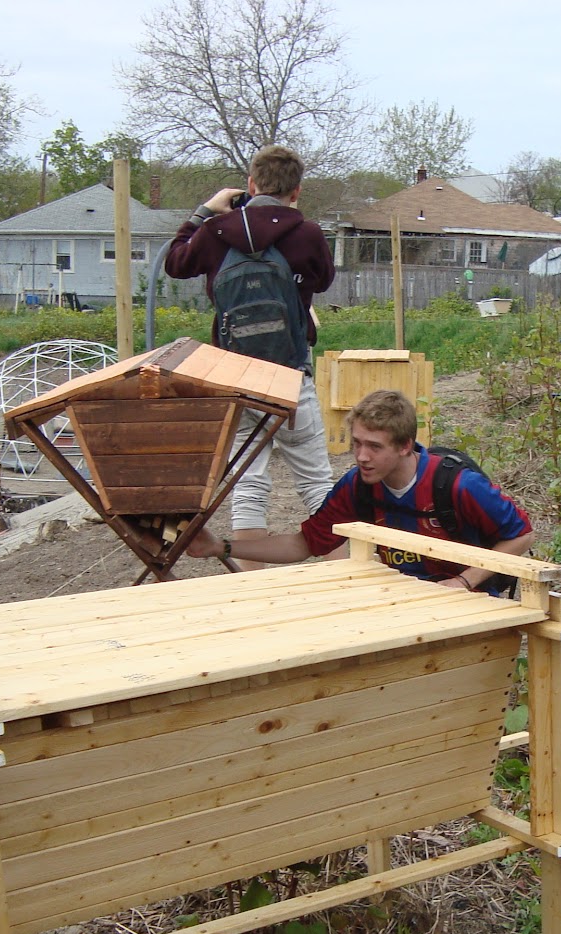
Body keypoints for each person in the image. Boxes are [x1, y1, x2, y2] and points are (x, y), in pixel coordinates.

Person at [187, 389, 533, 595]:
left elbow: (522, 535)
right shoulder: (358, 486)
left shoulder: (458, 485)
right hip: (406, 598)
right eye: (356, 443)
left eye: (374, 446)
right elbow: (304, 544)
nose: (361, 456)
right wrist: (221, 546)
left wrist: (463, 582)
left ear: (404, 446)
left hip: (468, 598)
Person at [166, 144, 335, 560]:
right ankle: (344, 576)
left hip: (236, 377)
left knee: (249, 481)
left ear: (250, 184)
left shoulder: (215, 231)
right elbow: (324, 280)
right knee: (316, 483)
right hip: (291, 375)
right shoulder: (307, 232)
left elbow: (175, 262)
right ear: (296, 191)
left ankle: (252, 590)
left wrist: (205, 211)